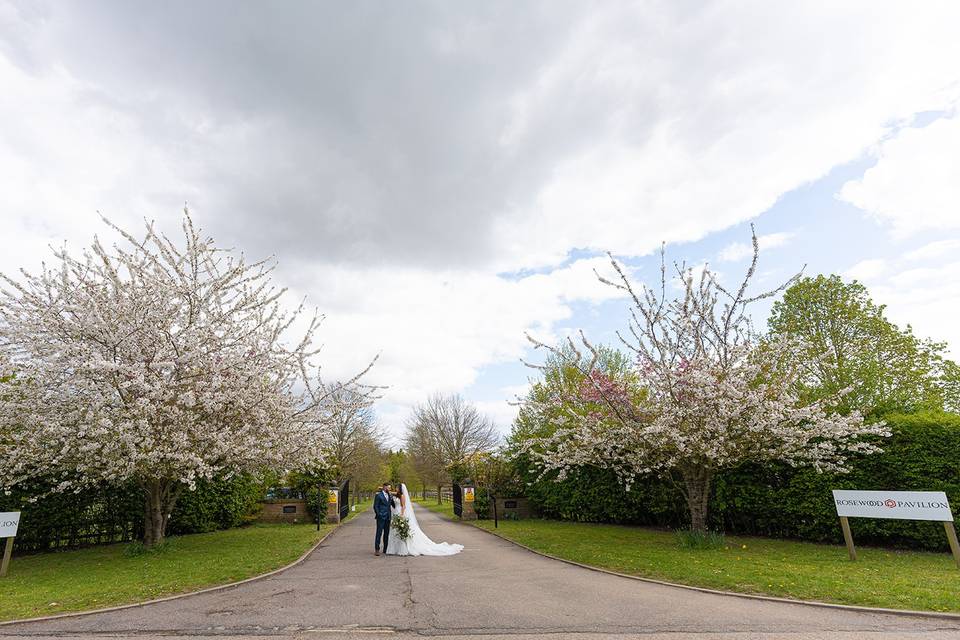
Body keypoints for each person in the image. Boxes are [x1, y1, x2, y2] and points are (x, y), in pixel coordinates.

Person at [385, 483, 463, 556]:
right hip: (395, 513)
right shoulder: (397, 494)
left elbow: (403, 506)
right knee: (395, 531)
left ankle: (403, 548)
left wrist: (401, 515)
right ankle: (395, 548)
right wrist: (385, 489)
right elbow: (391, 492)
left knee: (403, 530)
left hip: (400, 513)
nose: (396, 488)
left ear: (401, 489)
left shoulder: (402, 496)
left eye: (397, 487)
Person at [373, 482, 395, 556]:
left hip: (388, 517)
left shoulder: (390, 495)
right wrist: (379, 515)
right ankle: (377, 549)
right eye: (388, 487)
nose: (390, 489)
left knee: (386, 534)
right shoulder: (378, 495)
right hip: (381, 517)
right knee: (379, 533)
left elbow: (393, 505)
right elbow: (375, 506)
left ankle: (385, 549)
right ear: (384, 487)